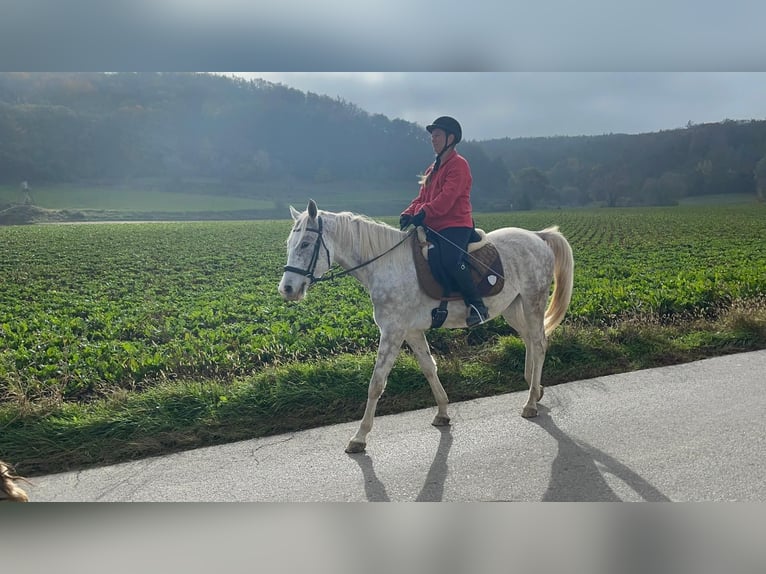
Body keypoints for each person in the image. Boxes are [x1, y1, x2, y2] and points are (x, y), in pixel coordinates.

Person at [399, 116, 489, 327]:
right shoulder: (433, 169)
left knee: (450, 260)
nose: (433, 139)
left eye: (437, 135)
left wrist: (424, 213)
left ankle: (477, 305)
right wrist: (409, 212)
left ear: (451, 138)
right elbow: (422, 198)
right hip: (434, 225)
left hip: (456, 225)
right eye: (432, 136)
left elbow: (447, 198)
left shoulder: (459, 165)